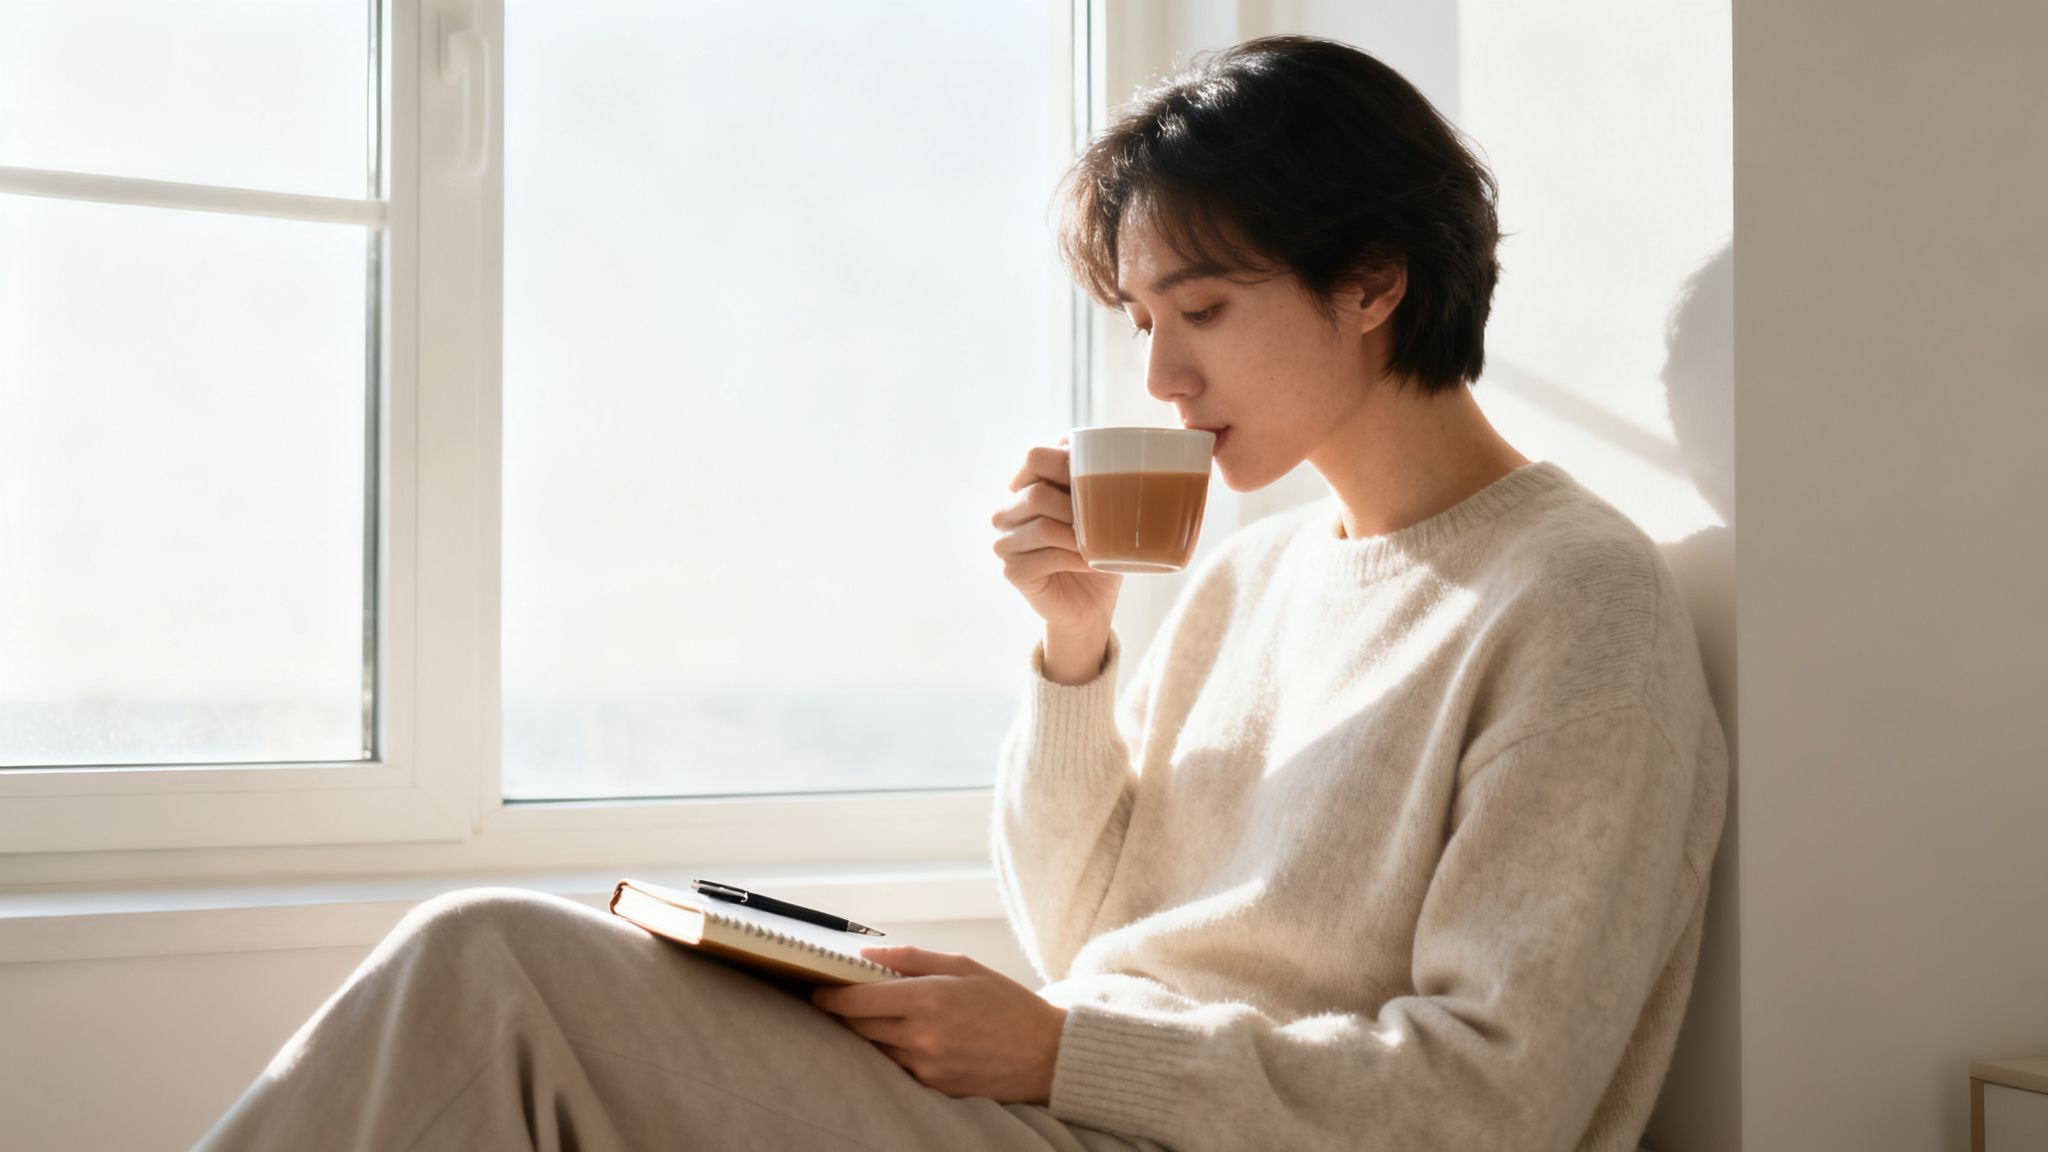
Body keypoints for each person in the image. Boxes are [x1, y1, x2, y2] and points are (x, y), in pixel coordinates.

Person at [194, 34, 1724, 1152]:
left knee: (494, 968)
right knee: (499, 972)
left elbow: (1497, 1099)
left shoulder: (1577, 602)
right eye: (1138, 318)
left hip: (1152, 1133)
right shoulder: (1243, 582)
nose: (1160, 374)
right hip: (1088, 1109)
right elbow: (1079, 940)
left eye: (1202, 309)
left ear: (1375, 282)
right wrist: (1075, 655)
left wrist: (1069, 1058)